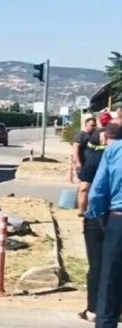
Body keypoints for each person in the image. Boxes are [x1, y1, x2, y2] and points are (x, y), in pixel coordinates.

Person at [85, 122, 122, 327]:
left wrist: (96, 216)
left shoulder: (114, 151)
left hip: (118, 218)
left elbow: (97, 191)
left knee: (110, 278)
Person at [78, 124, 115, 322]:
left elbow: (85, 189)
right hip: (117, 215)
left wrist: (81, 213)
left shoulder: (96, 159)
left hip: (96, 217)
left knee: (96, 265)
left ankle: (93, 309)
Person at [73, 117, 98, 183]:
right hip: (82, 163)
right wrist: (78, 162)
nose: (94, 127)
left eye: (95, 125)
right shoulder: (81, 135)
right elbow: (75, 149)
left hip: (89, 163)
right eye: (92, 125)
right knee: (83, 183)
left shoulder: (93, 135)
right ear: (86, 125)